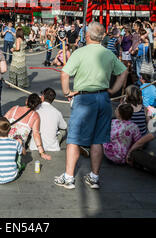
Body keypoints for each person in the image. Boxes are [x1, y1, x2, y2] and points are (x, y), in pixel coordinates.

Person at [54, 22, 127, 190]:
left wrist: (67, 92)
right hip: (103, 98)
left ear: (87, 36)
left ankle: (69, 177)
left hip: (84, 98)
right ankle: (94, 177)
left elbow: (65, 73)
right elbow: (123, 71)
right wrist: (114, 89)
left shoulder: (80, 52)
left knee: (74, 138)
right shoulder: (108, 53)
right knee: (98, 139)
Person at [5, 93, 51, 161]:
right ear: (36, 106)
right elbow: (36, 134)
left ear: (26, 101)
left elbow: (2, 121)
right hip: (17, 147)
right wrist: (42, 152)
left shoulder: (15, 108)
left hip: (4, 140)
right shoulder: (35, 116)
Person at [0, 117, 24, 184]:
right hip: (11, 176)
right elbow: (21, 152)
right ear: (10, 130)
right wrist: (20, 143)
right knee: (17, 152)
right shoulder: (15, 142)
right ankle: (17, 167)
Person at [29, 88, 67, 152]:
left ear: (42, 96)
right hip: (52, 147)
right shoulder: (57, 112)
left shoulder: (35, 108)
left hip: (35, 145)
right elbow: (64, 126)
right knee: (63, 131)